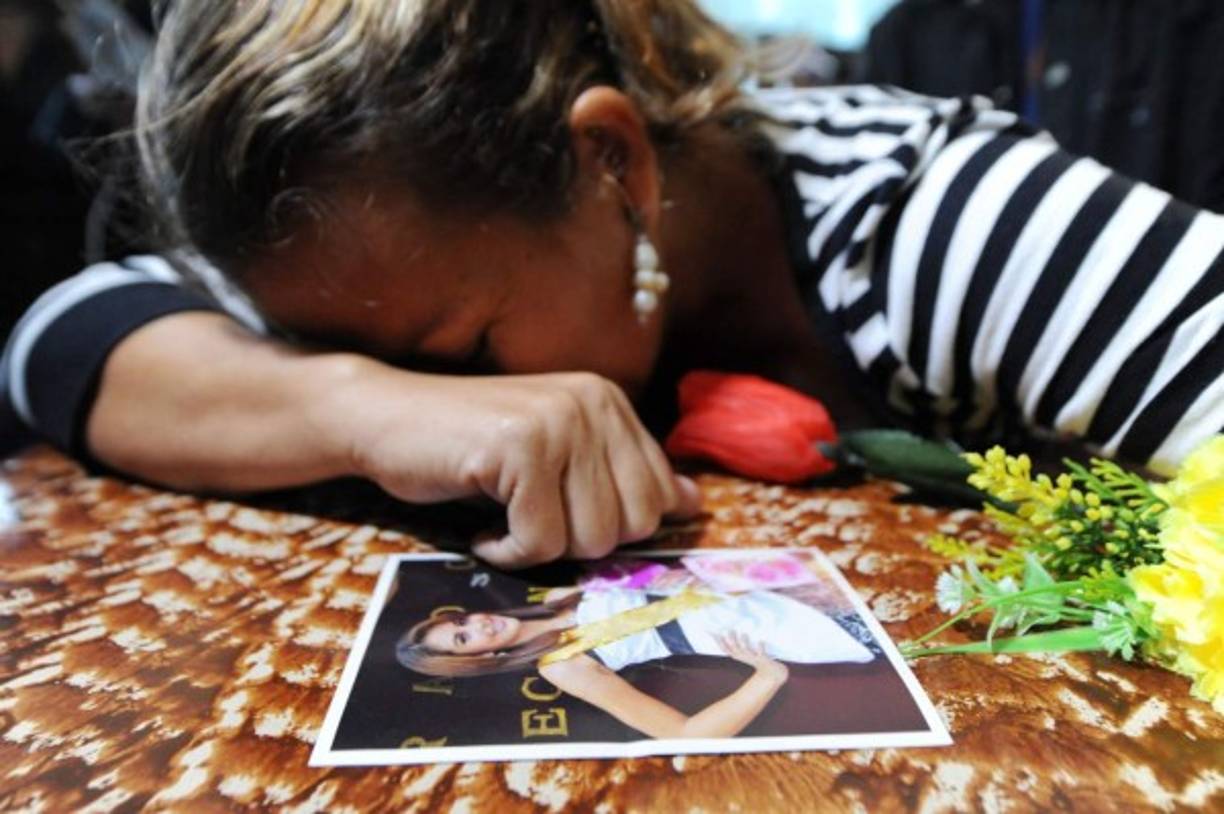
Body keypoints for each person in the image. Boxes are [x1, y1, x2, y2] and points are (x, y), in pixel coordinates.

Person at [2, 1, 1220, 569]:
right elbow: (62, 336)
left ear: (612, 162)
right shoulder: (371, 236)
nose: (451, 400)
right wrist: (371, 405)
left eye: (462, 346)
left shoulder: (940, 223)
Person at [395, 576, 873, 740]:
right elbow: (681, 732)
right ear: (478, 658)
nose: (477, 625)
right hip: (773, 625)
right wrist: (767, 678)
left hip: (764, 581)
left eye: (460, 622)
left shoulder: (560, 596)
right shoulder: (561, 664)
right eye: (463, 641)